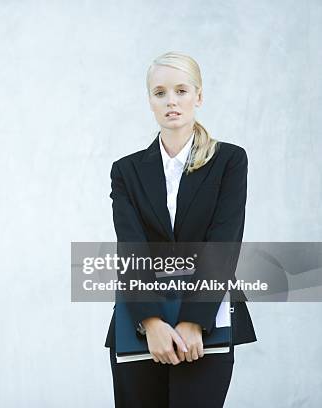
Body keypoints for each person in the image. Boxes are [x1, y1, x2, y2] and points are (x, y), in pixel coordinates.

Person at [104, 51, 257, 408]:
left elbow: (223, 242)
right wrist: (151, 322)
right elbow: (131, 248)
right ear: (150, 101)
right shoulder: (125, 171)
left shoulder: (229, 161)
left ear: (198, 97)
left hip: (206, 324)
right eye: (160, 93)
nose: (171, 101)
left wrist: (193, 321)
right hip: (142, 325)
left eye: (181, 90)